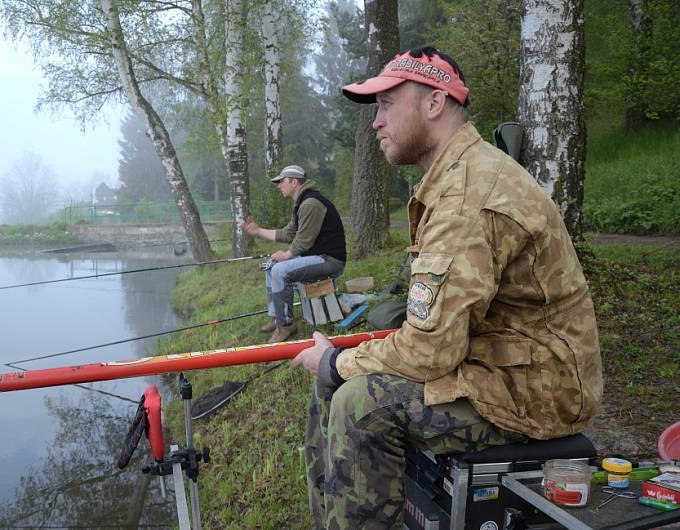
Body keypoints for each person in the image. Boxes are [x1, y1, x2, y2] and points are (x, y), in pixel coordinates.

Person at [290, 46, 603, 529]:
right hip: (495, 364)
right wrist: (340, 364)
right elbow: (434, 326)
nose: (376, 122)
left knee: (358, 402)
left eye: (388, 104)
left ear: (434, 103)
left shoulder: (467, 197)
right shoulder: (456, 176)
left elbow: (429, 352)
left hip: (537, 391)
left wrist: (336, 361)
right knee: (331, 385)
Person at [243, 165, 347, 343]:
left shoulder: (311, 203)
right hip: (315, 256)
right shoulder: (302, 202)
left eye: (281, 181)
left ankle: (286, 326)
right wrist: (258, 231)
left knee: (279, 270)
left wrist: (287, 254)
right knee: (271, 265)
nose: (279, 186)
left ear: (294, 181)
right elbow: (288, 234)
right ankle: (277, 318)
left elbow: (303, 241)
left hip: (329, 260)